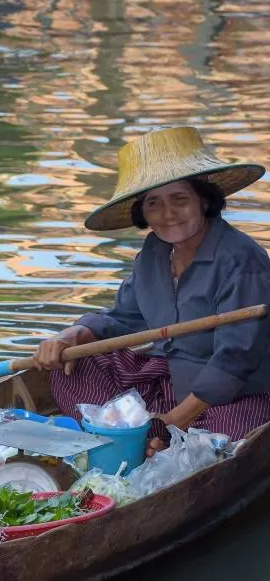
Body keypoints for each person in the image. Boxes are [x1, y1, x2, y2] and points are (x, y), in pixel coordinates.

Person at [34, 126, 270, 452]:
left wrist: (173, 420)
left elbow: (235, 361)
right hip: (166, 378)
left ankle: (145, 438)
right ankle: (139, 439)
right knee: (70, 369)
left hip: (233, 394)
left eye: (179, 199)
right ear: (142, 212)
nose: (168, 214)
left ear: (203, 200)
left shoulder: (241, 260)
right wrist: (71, 335)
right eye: (153, 203)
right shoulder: (153, 253)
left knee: (225, 443)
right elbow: (124, 319)